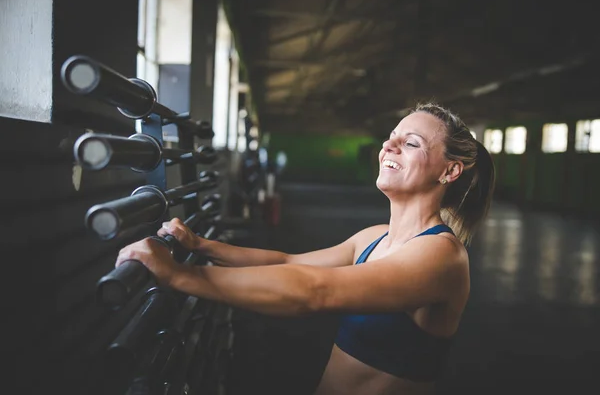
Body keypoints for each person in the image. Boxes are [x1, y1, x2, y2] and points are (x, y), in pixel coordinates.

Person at [116, 102, 495, 394]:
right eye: (392, 136)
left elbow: (317, 291)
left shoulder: (441, 255)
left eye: (410, 143)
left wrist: (180, 275)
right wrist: (200, 245)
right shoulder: (373, 238)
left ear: (449, 171)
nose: (388, 145)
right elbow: (287, 261)